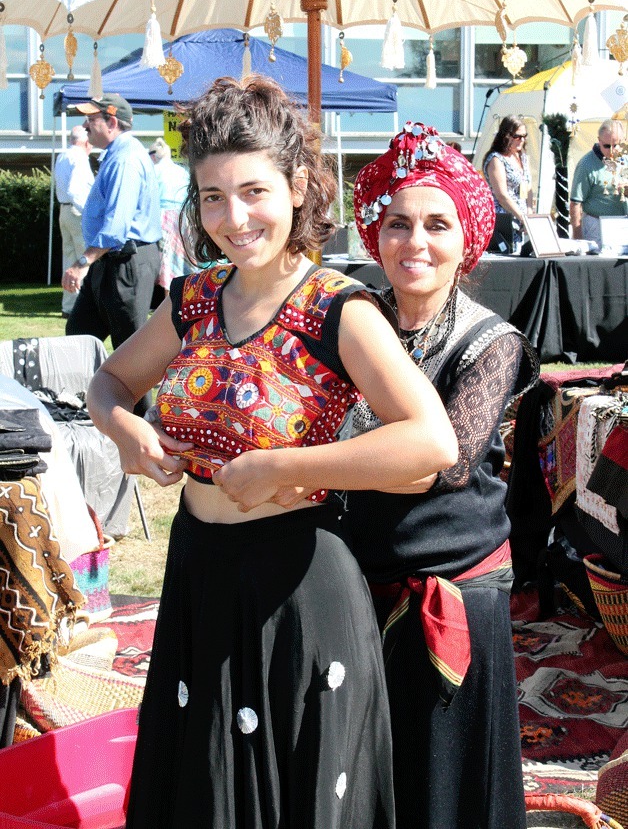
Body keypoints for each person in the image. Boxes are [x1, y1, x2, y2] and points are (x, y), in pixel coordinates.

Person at [86, 77, 458, 829]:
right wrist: (127, 431)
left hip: (297, 588)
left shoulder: (336, 307)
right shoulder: (193, 299)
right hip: (199, 573)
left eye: (253, 191)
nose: (233, 217)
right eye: (213, 197)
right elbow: (110, 380)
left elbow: (431, 442)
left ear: (297, 186)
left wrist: (283, 467)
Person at [343, 123, 539, 829]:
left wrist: (309, 464)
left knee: (443, 785)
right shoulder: (354, 322)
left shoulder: (492, 342)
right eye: (397, 224)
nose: (414, 242)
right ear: (376, 236)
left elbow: (444, 463)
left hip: (450, 588)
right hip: (355, 581)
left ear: (468, 240)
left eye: (436, 224)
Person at [62, 93, 162, 416]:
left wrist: (82, 262)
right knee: (78, 334)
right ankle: (87, 408)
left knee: (131, 352)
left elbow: (116, 226)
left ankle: (146, 433)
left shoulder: (125, 159)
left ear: (112, 122)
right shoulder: (117, 155)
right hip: (113, 262)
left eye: (92, 120)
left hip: (126, 263)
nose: (86, 126)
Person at [54, 125, 94, 317]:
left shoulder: (62, 156)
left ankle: (68, 306)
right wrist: (88, 212)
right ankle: (82, 307)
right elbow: (75, 190)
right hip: (77, 211)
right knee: (83, 260)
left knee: (69, 258)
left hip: (64, 209)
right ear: (85, 142)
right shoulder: (79, 158)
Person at [148, 136, 196, 292]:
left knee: (166, 263)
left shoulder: (153, 171)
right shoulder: (181, 171)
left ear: (154, 155)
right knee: (181, 261)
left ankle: (167, 301)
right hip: (184, 217)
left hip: (162, 219)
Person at [570, 118, 627, 245]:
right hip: (596, 227)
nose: (612, 151)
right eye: (607, 146)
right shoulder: (586, 165)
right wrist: (578, 239)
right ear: (599, 141)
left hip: (623, 226)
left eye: (616, 145)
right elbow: (575, 203)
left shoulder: (625, 159)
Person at [483, 115, 535, 253]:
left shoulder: (523, 157)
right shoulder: (496, 159)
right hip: (504, 220)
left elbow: (528, 187)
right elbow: (502, 195)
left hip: (521, 219)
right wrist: (522, 217)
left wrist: (529, 212)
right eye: (518, 136)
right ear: (506, 136)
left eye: (524, 136)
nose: (522, 140)